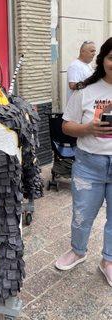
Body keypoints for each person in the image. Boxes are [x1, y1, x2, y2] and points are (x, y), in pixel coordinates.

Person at [55, 37, 112, 287]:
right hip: (89, 165)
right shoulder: (86, 90)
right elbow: (66, 127)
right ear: (103, 60)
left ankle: (108, 261)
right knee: (81, 214)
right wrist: (88, 128)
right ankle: (78, 251)